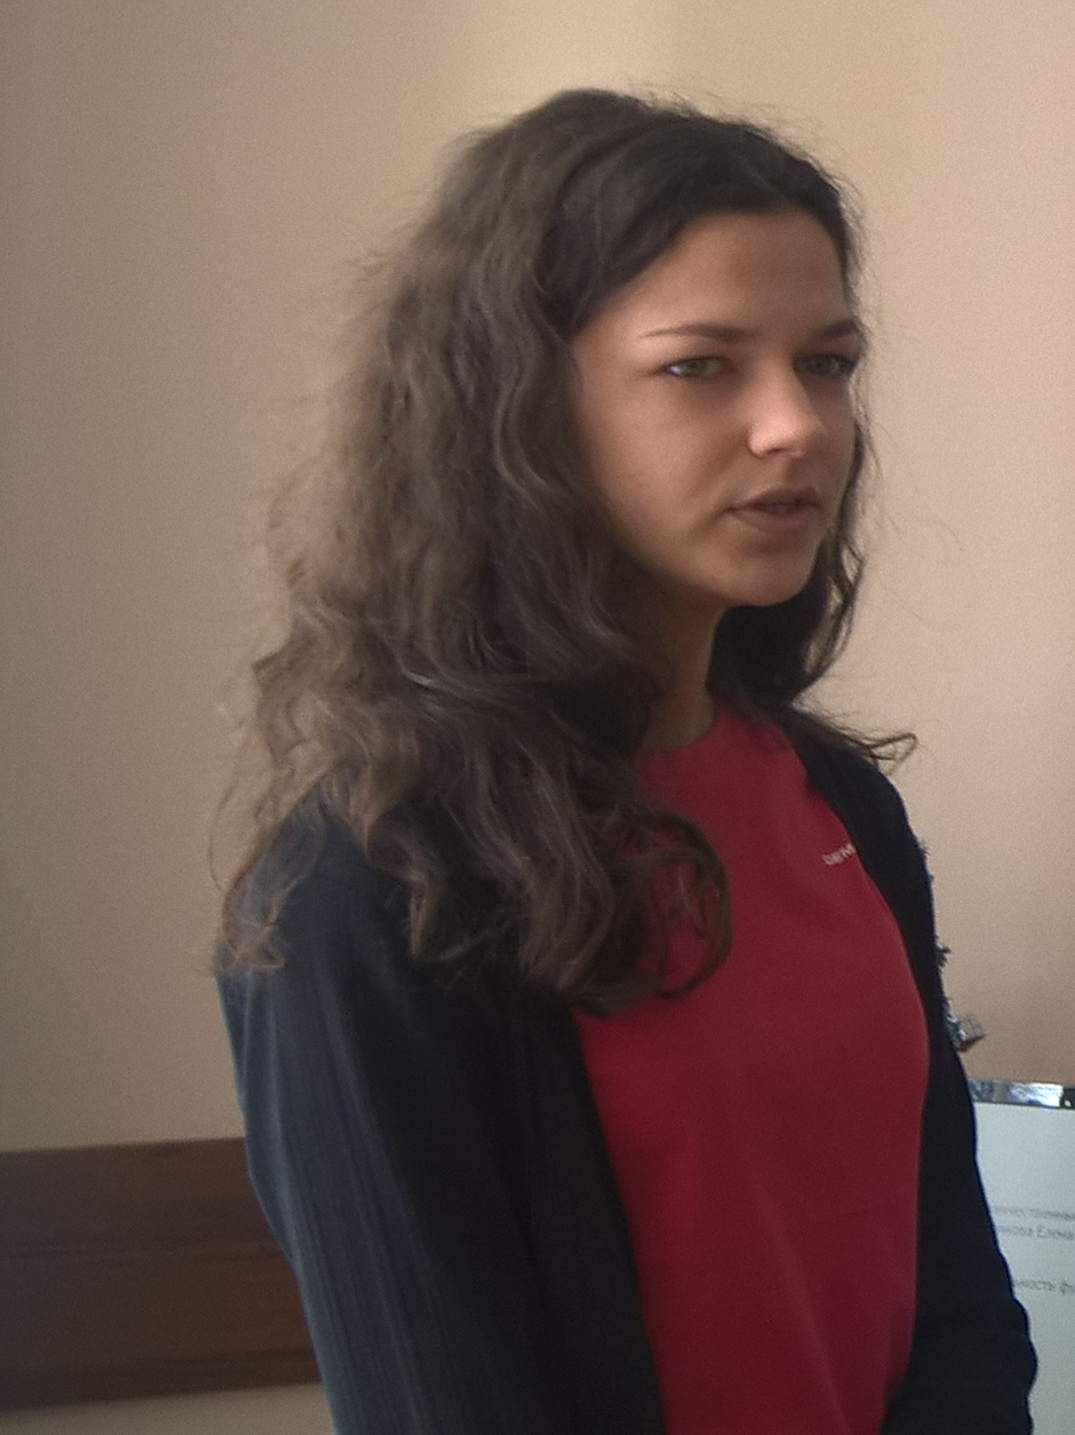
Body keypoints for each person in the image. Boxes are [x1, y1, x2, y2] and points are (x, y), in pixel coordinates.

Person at [217, 89, 1032, 1435]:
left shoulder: (845, 810)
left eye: (826, 362)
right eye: (702, 367)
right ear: (518, 410)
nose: (797, 425)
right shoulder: (365, 890)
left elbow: (956, 1288)